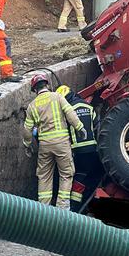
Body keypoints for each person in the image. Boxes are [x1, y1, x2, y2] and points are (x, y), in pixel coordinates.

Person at [23, 74, 87, 210]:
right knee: (66, 174)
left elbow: (27, 129)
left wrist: (27, 145)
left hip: (44, 146)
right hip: (62, 143)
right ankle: (62, 208)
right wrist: (80, 127)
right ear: (47, 84)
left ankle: (43, 209)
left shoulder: (32, 106)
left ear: (34, 90)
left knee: (44, 176)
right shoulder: (57, 97)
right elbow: (70, 113)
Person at [56, 85, 103, 213]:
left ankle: (74, 208)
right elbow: (95, 126)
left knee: (78, 177)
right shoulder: (89, 107)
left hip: (78, 151)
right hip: (93, 150)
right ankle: (85, 204)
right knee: (88, 176)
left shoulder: (68, 109)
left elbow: (64, 131)